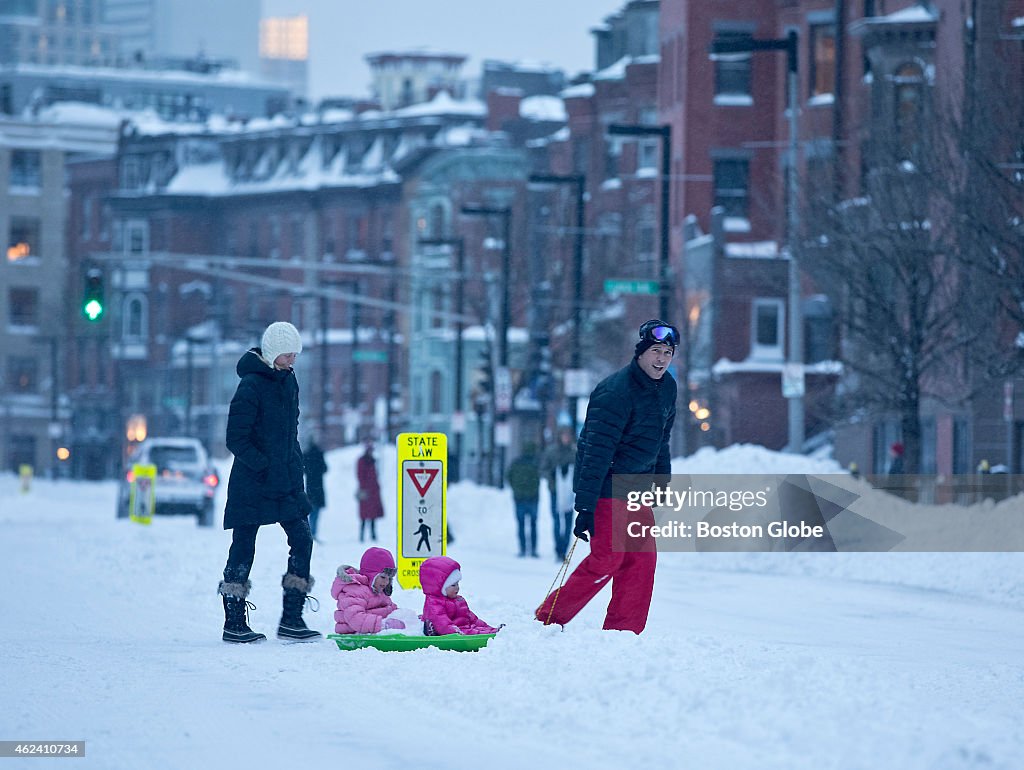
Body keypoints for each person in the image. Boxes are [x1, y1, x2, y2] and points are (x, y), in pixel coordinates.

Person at [535, 319, 678, 635]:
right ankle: (549, 617)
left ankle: (623, 631)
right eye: (656, 350)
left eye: (668, 352)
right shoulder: (614, 391)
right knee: (607, 559)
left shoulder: (668, 388)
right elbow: (595, 451)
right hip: (607, 485)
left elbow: (661, 440)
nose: (662, 359)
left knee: (642, 562)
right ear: (641, 352)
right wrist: (585, 507)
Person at [217, 321, 321, 643]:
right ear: (274, 352)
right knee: (244, 547)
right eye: (289, 354)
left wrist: (294, 460)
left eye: (295, 354)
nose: (293, 360)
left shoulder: (289, 381)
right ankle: (234, 622)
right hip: (253, 482)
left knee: (303, 539)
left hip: (286, 481)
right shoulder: (250, 385)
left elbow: (293, 428)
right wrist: (264, 465)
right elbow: (236, 437)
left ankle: (292, 617)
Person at [331, 547, 406, 634]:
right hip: (354, 633)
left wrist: (406, 617)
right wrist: (383, 625)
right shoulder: (355, 590)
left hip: (372, 630)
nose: (386, 582)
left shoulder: (378, 591)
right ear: (371, 575)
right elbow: (356, 618)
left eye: (389, 578)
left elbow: (389, 609)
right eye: (383, 577)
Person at [419, 556, 499, 636]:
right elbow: (442, 623)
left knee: (478, 629)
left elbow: (472, 619)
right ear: (439, 587)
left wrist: (488, 628)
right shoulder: (434, 604)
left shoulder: (458, 600)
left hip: (464, 627)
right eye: (453, 585)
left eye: (457, 583)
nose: (457, 587)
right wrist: (455, 631)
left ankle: (492, 631)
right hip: (454, 631)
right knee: (473, 633)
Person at [540, 426, 577, 561]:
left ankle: (563, 550)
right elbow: (543, 469)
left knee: (568, 522)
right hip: (555, 491)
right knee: (556, 521)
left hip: (569, 492)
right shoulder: (551, 452)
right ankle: (558, 548)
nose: (566, 438)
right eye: (564, 435)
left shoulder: (574, 452)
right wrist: (552, 478)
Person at [506, 443, 541, 558]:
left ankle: (522, 549)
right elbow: (538, 479)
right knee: (533, 524)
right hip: (533, 498)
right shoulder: (535, 464)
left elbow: (508, 477)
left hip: (519, 498)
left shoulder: (516, 463)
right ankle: (533, 550)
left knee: (521, 525)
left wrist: (516, 490)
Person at [356, 441, 384, 542]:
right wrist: (364, 487)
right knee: (364, 515)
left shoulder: (372, 461)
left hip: (373, 491)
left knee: (372, 514)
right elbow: (360, 475)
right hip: (366, 491)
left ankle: (373, 534)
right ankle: (362, 535)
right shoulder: (362, 461)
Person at [303, 436, 327, 542]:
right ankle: (313, 532)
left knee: (310, 511)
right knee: (316, 512)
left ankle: (309, 532)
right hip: (319, 486)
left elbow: (303, 469)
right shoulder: (319, 454)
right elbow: (325, 468)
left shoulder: (306, 455)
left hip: (309, 487)